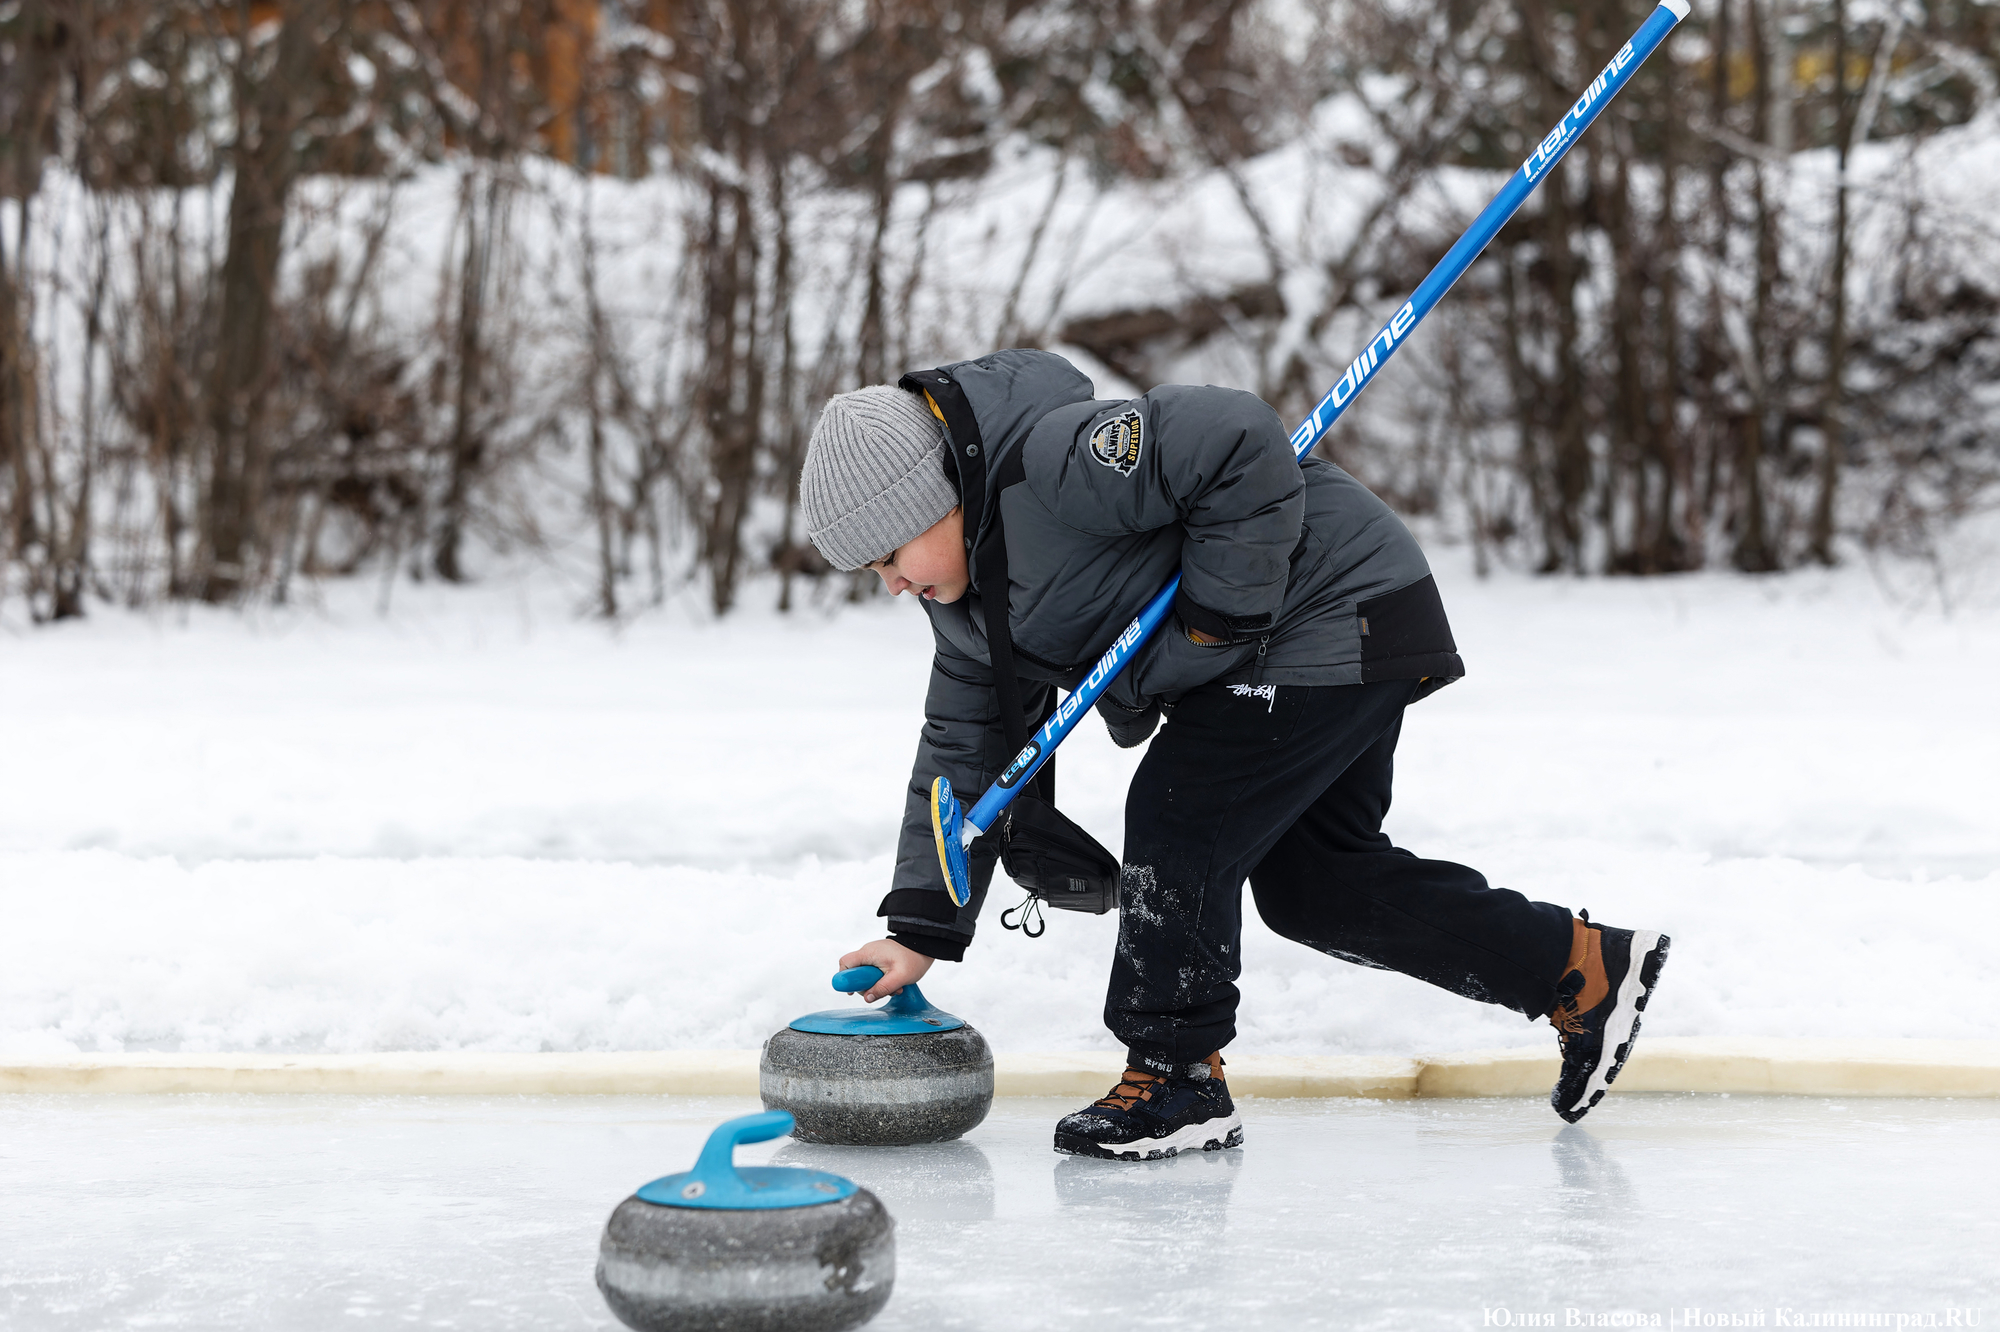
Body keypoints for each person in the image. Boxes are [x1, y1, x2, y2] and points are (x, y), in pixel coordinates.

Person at [802, 348, 1670, 1161]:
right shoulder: (966, 616)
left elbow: (1234, 438)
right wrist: (919, 928)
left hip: (1330, 607)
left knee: (1180, 810)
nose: (894, 585)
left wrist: (1218, 616)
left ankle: (1177, 1075)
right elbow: (963, 751)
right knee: (1317, 886)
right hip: (1309, 642)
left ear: (937, 498)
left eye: (890, 555)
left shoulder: (1059, 463)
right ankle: (1578, 969)